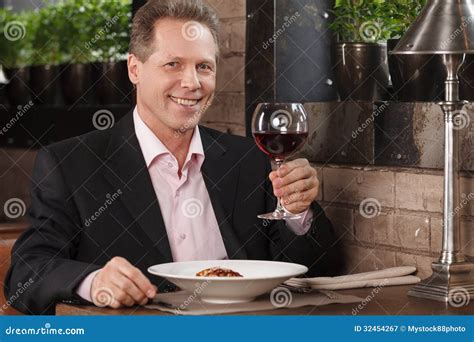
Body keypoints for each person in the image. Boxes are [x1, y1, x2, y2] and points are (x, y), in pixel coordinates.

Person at [4, 0, 342, 315]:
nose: (192, 83)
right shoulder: (71, 165)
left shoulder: (247, 159)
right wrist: (95, 282)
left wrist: (297, 213)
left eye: (204, 67)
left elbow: (319, 269)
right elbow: (26, 271)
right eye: (173, 64)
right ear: (134, 69)